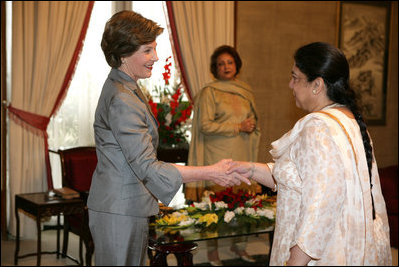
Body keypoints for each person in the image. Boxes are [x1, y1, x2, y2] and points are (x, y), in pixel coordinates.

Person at [87, 11, 250, 266]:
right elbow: (146, 166)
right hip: (119, 210)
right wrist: (211, 172)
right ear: (123, 53)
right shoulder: (122, 98)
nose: (155, 57)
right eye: (148, 50)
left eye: (154, 49)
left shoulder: (125, 86)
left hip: (124, 205)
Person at [227, 42, 392, 265]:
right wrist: (250, 169)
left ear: (317, 85)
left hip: (322, 254)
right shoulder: (348, 119)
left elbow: (322, 204)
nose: (290, 85)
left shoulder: (318, 126)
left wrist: (295, 261)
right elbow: (302, 178)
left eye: (295, 77)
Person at [186, 45, 261, 265]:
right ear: (214, 69)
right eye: (220, 64)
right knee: (217, 206)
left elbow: (250, 120)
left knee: (244, 203)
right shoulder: (210, 92)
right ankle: (213, 252)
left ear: (236, 64)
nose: (225, 67)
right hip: (217, 156)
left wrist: (251, 125)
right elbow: (205, 125)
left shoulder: (245, 90)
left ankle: (240, 248)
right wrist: (238, 126)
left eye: (229, 62)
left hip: (241, 153)